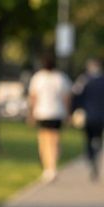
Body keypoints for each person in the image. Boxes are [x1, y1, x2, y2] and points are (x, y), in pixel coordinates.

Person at [28, 52, 73, 183]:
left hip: (42, 113)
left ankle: (48, 167)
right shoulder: (61, 78)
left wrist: (31, 114)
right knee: (54, 141)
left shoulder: (38, 78)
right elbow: (67, 98)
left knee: (44, 141)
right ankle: (52, 167)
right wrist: (68, 113)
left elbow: (33, 97)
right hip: (57, 113)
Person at [73, 58, 104, 182]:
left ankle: (91, 157)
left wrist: (75, 110)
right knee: (98, 137)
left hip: (89, 116)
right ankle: (95, 154)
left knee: (88, 138)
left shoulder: (84, 80)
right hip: (101, 117)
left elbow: (77, 97)